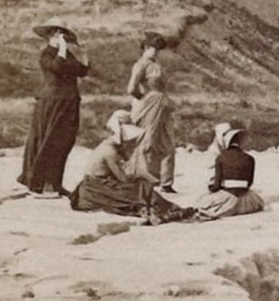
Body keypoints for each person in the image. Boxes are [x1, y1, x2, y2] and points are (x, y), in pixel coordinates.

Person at [70, 111, 192, 224]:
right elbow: (122, 178)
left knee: (141, 186)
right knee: (142, 187)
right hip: (97, 187)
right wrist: (142, 176)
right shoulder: (110, 151)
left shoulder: (109, 145)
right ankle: (167, 209)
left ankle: (164, 208)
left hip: (97, 185)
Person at [19, 17, 89, 197]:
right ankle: (43, 183)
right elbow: (57, 67)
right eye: (59, 34)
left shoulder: (67, 55)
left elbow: (82, 71)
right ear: (51, 35)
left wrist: (83, 54)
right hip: (53, 102)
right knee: (51, 141)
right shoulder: (47, 54)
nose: (62, 37)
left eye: (64, 34)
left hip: (69, 101)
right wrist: (64, 49)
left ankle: (56, 182)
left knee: (65, 142)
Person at [126, 32, 178, 192]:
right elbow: (131, 88)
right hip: (148, 104)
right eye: (153, 48)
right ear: (146, 48)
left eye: (157, 49)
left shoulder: (156, 65)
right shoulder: (141, 64)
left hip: (161, 105)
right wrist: (144, 98)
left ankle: (166, 181)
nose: (155, 52)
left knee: (167, 142)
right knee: (147, 141)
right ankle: (144, 179)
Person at [193, 126, 265, 220]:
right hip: (247, 199)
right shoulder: (250, 158)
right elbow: (249, 183)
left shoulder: (221, 157)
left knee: (200, 203)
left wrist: (212, 188)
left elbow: (216, 185)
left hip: (228, 198)